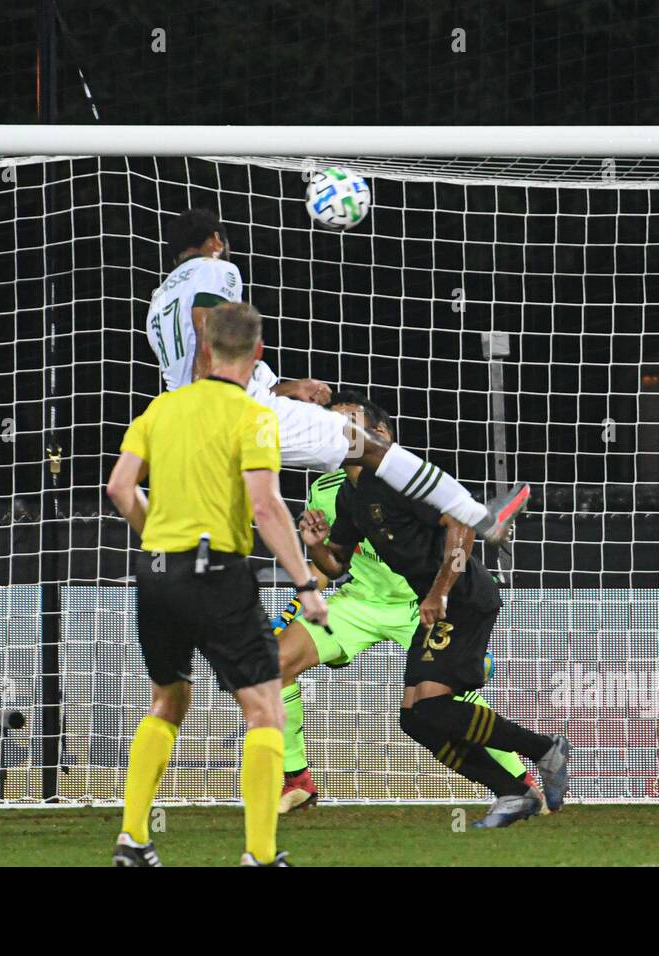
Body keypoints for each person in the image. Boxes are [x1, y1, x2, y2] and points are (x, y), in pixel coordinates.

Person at [144, 207, 530, 548]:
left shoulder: (159, 299)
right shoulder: (217, 267)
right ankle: (481, 518)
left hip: (192, 421)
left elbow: (213, 365)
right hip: (227, 411)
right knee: (372, 447)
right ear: (215, 240)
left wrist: (289, 388)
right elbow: (207, 326)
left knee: (220, 531)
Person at [106, 301, 330, 866]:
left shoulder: (161, 408)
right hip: (217, 573)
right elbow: (266, 504)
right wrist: (305, 583)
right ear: (256, 354)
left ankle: (133, 841)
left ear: (204, 349)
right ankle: (259, 854)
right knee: (264, 709)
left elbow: (119, 489)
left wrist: (154, 532)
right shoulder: (254, 415)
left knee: (167, 699)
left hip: (155, 573)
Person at [273, 391, 544, 813]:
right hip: (360, 601)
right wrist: (301, 586)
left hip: (420, 602)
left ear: (378, 434)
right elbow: (332, 564)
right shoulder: (329, 489)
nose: (333, 430)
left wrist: (441, 590)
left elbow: (457, 523)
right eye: (330, 422)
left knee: (442, 701)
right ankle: (297, 779)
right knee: (276, 663)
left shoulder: (412, 477)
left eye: (345, 421)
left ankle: (522, 779)